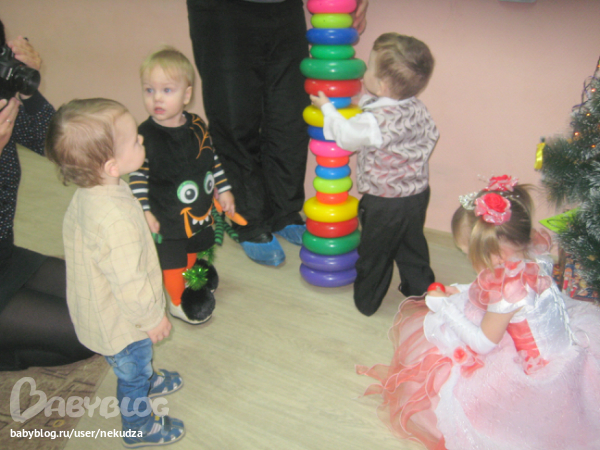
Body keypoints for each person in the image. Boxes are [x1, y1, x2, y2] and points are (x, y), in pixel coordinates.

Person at [356, 176, 600, 450]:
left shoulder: (507, 294)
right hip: (567, 348)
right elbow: (487, 287)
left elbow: (482, 343)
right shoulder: (532, 256)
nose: (467, 259)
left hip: (536, 371)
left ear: (495, 255)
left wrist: (445, 307)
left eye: (466, 253)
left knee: (453, 363)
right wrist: (460, 291)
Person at [45, 98, 185, 447]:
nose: (142, 140)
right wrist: (152, 319)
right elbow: (130, 282)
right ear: (110, 165)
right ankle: (138, 426)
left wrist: (142, 217)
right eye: (135, 140)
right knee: (133, 368)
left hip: (101, 306)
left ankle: (146, 376)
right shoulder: (113, 221)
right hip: (123, 323)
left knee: (135, 364)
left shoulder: (94, 191)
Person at [186, 0, 368, 266]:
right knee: (235, 120)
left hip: (284, 7)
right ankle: (249, 221)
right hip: (222, 10)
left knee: (289, 119)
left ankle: (285, 212)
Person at [311, 33, 439, 316]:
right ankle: (420, 289)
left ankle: (367, 301)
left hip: (384, 202)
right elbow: (431, 135)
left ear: (382, 85)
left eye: (369, 66)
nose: (364, 70)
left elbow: (346, 137)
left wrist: (328, 109)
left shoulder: (372, 122)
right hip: (417, 195)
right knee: (412, 244)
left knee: (375, 253)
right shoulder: (416, 107)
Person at [0, 19, 94, 370]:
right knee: (85, 335)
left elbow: (56, 145)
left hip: (4, 256)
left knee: (103, 296)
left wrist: (25, 90)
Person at [129, 47, 235, 325]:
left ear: (186, 95)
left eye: (167, 90)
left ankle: (194, 278)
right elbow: (137, 177)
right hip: (166, 219)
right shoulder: (145, 136)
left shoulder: (197, 125)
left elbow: (212, 160)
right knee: (173, 260)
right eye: (149, 90)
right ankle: (178, 301)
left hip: (199, 213)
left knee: (195, 249)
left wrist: (223, 189)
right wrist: (144, 211)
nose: (157, 98)